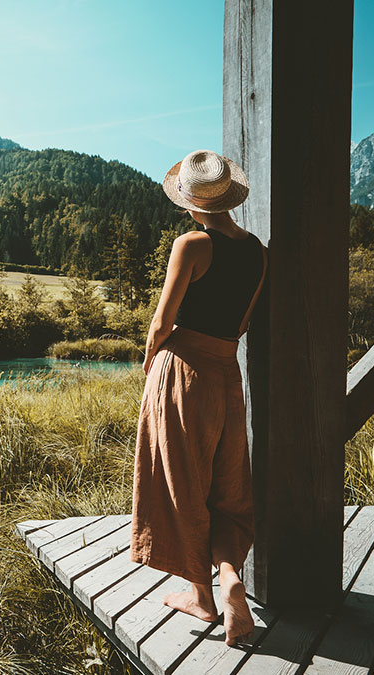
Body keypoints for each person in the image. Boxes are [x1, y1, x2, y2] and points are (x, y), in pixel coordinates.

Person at [130, 149, 268, 647]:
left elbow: (162, 322)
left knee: (180, 481)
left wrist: (149, 362)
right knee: (228, 487)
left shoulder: (191, 244)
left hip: (181, 371)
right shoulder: (257, 250)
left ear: (188, 200)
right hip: (226, 374)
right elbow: (243, 322)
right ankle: (228, 574)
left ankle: (202, 597)